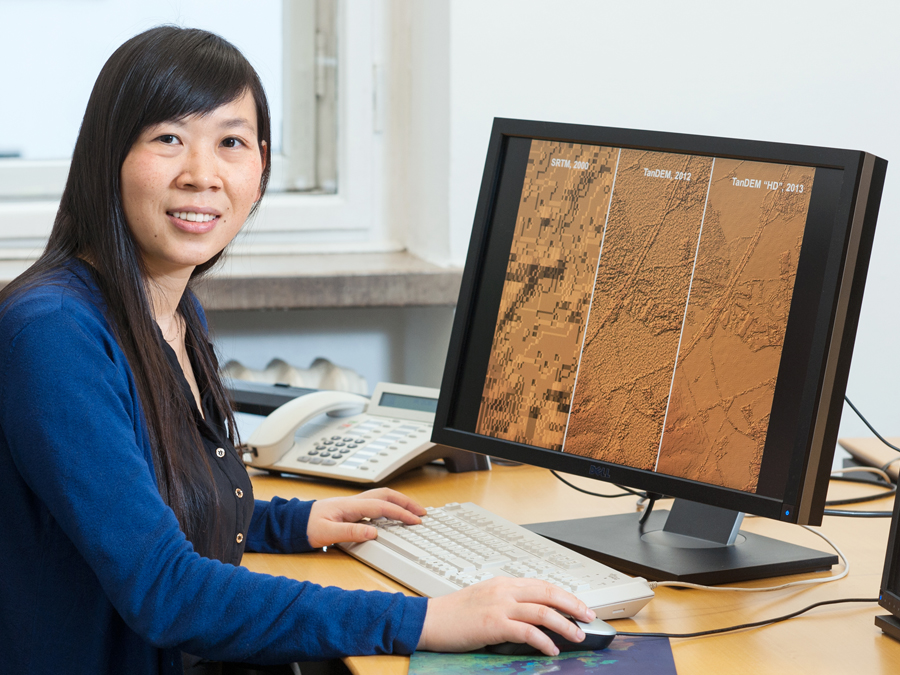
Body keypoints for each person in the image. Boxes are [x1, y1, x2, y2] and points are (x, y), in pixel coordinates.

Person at [0, 26, 595, 674]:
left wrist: (290, 522)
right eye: (168, 139)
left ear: (260, 166)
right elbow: (165, 589)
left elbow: (147, 506)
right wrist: (425, 619)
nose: (202, 175)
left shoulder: (166, 307)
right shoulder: (55, 335)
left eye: (230, 142)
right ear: (107, 157)